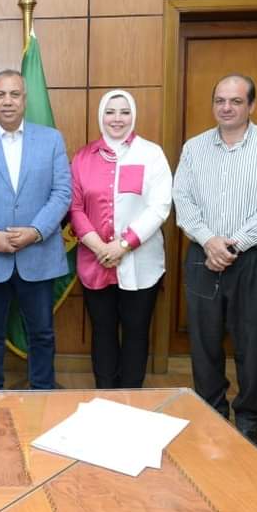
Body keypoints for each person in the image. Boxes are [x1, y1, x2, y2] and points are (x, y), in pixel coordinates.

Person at [172, 74, 257, 446]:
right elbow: (182, 199)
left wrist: (232, 245)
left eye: (236, 101)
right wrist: (210, 241)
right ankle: (211, 410)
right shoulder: (194, 148)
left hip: (253, 258)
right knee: (204, 340)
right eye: (220, 100)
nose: (226, 108)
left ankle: (249, 418)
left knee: (254, 342)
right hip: (202, 255)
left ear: (251, 106)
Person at [0, 69, 71, 390]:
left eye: (14, 94)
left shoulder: (51, 140)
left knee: (42, 333)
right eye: (0, 95)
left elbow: (62, 192)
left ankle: (42, 391)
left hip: (38, 254)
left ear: (25, 100)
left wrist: (36, 230)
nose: (7, 101)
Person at [69, 89, 172, 389]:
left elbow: (159, 206)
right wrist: (100, 248)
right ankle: (106, 396)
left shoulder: (151, 154)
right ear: (101, 116)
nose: (117, 118)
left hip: (141, 262)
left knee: (136, 333)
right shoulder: (83, 157)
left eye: (124, 112)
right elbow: (75, 208)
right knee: (102, 333)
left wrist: (124, 245)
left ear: (133, 116)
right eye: (110, 112)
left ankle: (131, 397)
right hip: (95, 260)